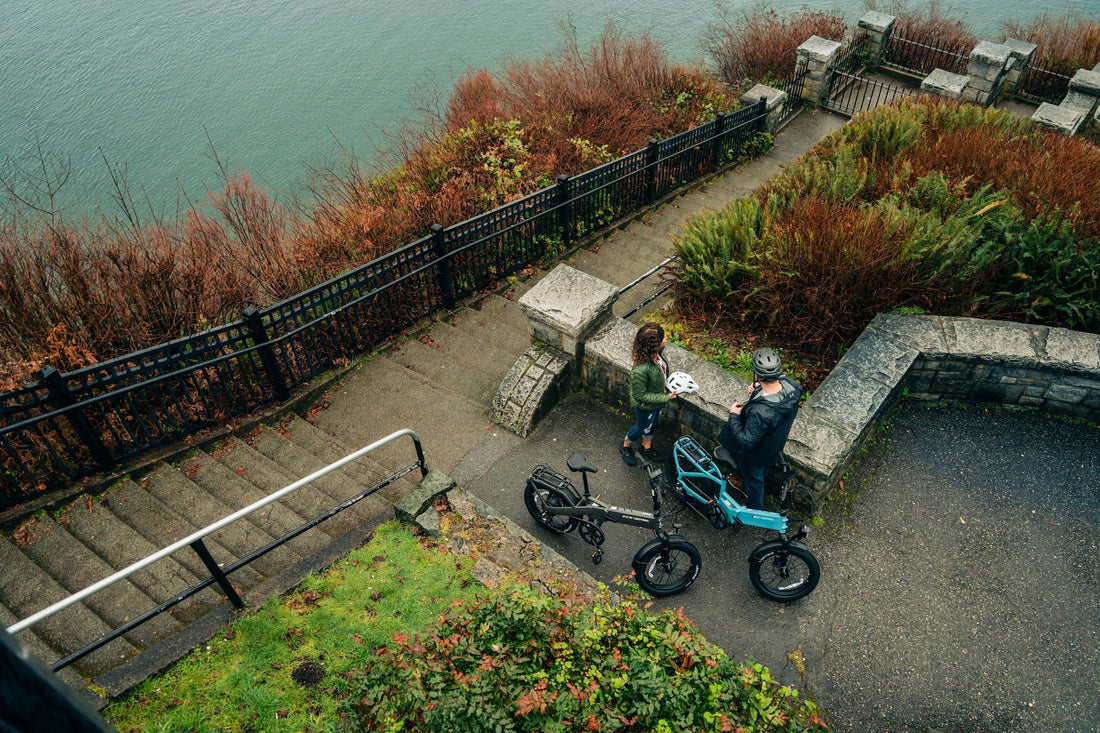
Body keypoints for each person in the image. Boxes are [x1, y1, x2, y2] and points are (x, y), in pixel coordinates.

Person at [717, 348, 802, 510]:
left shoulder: (761, 413)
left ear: (757, 374)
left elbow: (746, 441)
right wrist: (758, 388)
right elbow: (773, 392)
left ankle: (754, 509)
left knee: (754, 479)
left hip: (756, 455)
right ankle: (746, 484)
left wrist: (734, 415)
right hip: (773, 445)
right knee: (759, 473)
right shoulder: (793, 388)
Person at [621, 322, 677, 466]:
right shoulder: (640, 369)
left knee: (652, 425)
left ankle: (646, 447)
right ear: (654, 344)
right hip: (646, 405)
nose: (666, 338)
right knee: (642, 427)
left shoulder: (657, 352)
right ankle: (626, 445)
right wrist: (666, 397)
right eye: (663, 337)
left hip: (657, 402)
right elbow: (640, 396)